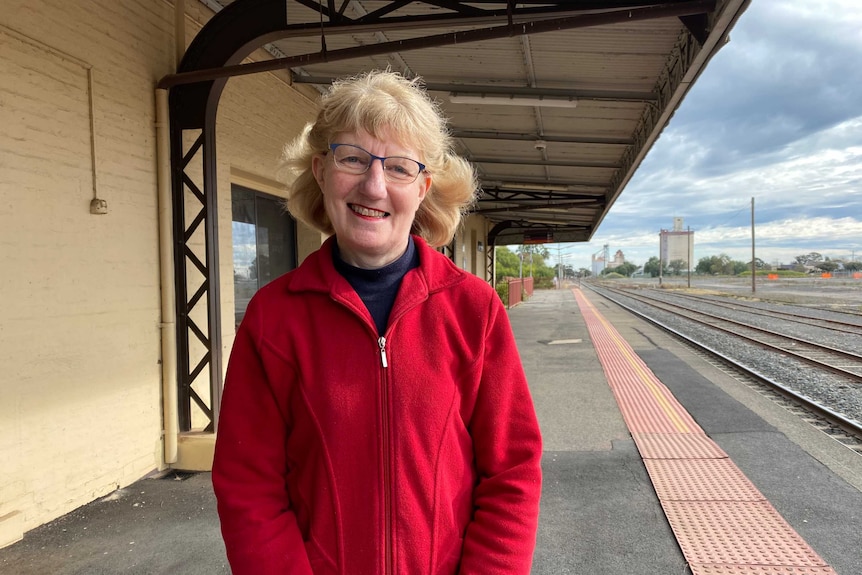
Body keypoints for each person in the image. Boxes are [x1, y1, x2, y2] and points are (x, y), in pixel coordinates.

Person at [212, 70, 543, 575]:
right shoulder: (274, 318)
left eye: (399, 168)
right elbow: (247, 485)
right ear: (322, 172)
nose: (373, 185)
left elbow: (512, 472)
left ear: (423, 188)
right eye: (353, 159)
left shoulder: (473, 309)